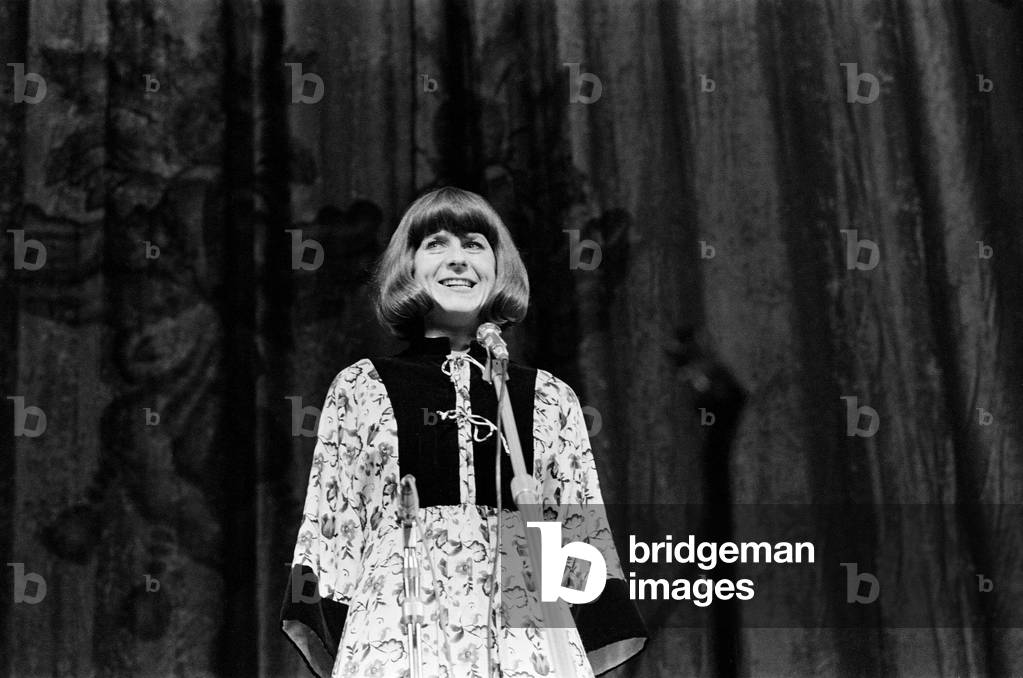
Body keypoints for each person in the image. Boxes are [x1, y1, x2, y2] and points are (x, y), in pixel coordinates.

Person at [281, 187, 646, 678]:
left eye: (475, 244)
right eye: (436, 244)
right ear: (409, 266)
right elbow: (334, 530)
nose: (458, 259)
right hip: (399, 625)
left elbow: (580, 534)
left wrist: (572, 618)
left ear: (498, 267)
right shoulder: (360, 387)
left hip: (525, 635)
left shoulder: (549, 397)